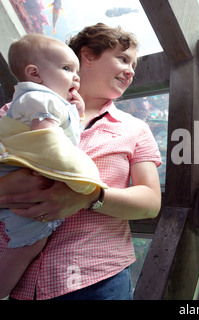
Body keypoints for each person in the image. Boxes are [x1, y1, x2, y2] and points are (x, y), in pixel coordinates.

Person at [0, 23, 161, 300]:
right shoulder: (11, 111)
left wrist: (89, 197)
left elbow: (150, 203)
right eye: (123, 58)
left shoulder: (135, 129)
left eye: (133, 64)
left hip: (97, 281)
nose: (131, 70)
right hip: (20, 284)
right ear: (87, 56)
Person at [0, 34, 107, 300]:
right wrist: (81, 178)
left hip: (26, 179)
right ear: (34, 73)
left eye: (77, 72)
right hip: (19, 176)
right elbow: (48, 140)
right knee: (27, 244)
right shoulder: (38, 99)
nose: (76, 77)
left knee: (30, 241)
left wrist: (75, 114)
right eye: (67, 69)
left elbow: (61, 135)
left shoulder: (46, 101)